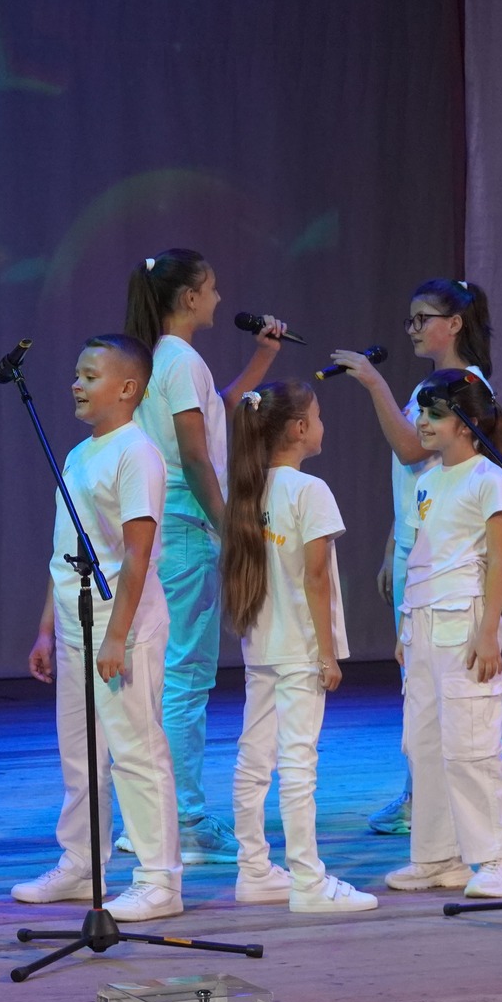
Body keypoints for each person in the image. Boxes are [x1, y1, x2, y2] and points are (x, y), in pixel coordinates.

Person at [13, 335, 183, 922]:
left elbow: (137, 553)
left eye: (90, 376)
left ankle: (159, 880)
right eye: (77, 374)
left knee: (136, 751)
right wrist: (46, 628)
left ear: (128, 388)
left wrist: (117, 635)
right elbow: (68, 548)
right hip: (74, 622)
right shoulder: (79, 454)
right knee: (80, 753)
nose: (76, 385)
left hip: (122, 625)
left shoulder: (137, 453)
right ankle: (83, 863)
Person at [123, 249, 285, 864]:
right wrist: (230, 528)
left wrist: (262, 358)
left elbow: (214, 413)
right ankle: (183, 819)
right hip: (186, 530)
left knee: (163, 676)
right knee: (186, 678)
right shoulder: (181, 359)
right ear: (189, 297)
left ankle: (149, 815)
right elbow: (195, 456)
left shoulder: (156, 359)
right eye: (211, 288)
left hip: (160, 528)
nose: (218, 298)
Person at [327, 279, 498, 836]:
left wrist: (372, 380)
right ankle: (421, 792)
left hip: (448, 560)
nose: (413, 329)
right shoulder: (429, 385)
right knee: (417, 682)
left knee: (448, 683)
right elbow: (418, 481)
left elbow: (410, 449)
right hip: (416, 547)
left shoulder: (466, 386)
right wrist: (391, 546)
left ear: (455, 324)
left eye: (424, 318)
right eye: (411, 319)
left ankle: (443, 799)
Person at [220, 380, 376, 912]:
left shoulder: (248, 490)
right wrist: (327, 653)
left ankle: (254, 870)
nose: (323, 426)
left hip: (261, 646)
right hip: (299, 649)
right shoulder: (309, 491)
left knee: (253, 759)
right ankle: (308, 881)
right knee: (298, 762)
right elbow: (315, 578)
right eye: (319, 416)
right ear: (300, 428)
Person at [388, 368, 502, 898]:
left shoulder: (488, 478)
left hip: (464, 624)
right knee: (425, 744)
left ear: (467, 422)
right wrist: (405, 626)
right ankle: (437, 857)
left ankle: (500, 860)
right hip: (423, 624)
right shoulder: (427, 481)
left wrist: (488, 631)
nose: (422, 423)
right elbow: (419, 557)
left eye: (435, 414)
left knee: (472, 743)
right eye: (421, 413)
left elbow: (498, 561)